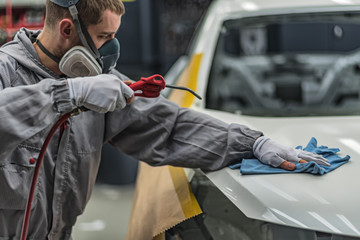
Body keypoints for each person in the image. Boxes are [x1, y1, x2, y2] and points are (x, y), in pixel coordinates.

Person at [0, 0, 330, 239]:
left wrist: (252, 143)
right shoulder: (7, 70)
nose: (107, 53)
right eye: (102, 38)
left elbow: (169, 126)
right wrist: (67, 94)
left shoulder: (99, 86)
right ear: (67, 29)